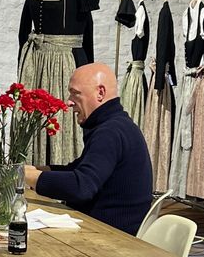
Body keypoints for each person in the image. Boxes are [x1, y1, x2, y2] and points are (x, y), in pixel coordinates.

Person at [25, 62, 153, 235]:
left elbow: (82, 187)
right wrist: (38, 170)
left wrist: (25, 175)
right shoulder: (116, 125)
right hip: (104, 229)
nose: (69, 102)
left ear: (100, 93)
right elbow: (79, 169)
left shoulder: (110, 131)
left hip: (111, 237)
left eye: (75, 93)